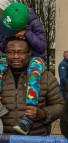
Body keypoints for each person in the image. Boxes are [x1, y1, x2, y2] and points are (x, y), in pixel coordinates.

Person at [0, 2, 47, 135]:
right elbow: (3, 47)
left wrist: (26, 34)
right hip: (12, 56)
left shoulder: (34, 23)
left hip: (35, 57)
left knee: (34, 73)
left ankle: (28, 118)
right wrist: (11, 36)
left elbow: (42, 47)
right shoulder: (6, 20)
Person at [1, 36, 64, 135]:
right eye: (10, 52)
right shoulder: (1, 75)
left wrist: (42, 114)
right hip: (4, 141)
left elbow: (60, 106)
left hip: (36, 141)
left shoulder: (46, 77)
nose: (16, 56)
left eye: (21, 52)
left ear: (29, 53)